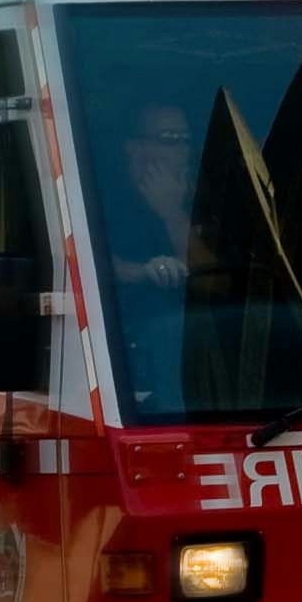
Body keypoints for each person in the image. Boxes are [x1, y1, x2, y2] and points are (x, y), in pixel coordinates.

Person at [110, 100, 197, 408]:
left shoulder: (197, 192)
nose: (183, 150)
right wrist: (146, 271)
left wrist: (172, 213)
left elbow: (213, 275)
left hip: (200, 354)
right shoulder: (104, 195)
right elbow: (84, 260)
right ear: (133, 147)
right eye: (170, 139)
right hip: (122, 360)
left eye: (186, 140)